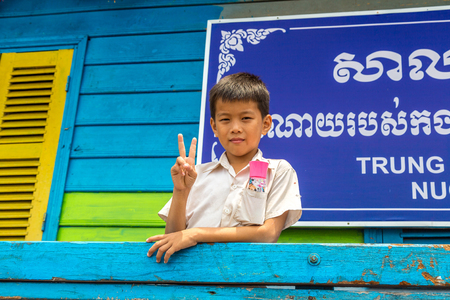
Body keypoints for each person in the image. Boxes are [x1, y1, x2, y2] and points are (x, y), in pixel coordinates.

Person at [146, 72, 302, 263]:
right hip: (190, 282)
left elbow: (268, 234)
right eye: (225, 119)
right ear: (213, 126)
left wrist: (196, 234)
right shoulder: (197, 174)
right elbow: (173, 238)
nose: (235, 127)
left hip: (246, 284)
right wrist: (181, 191)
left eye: (245, 118)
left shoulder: (278, 171)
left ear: (266, 124)